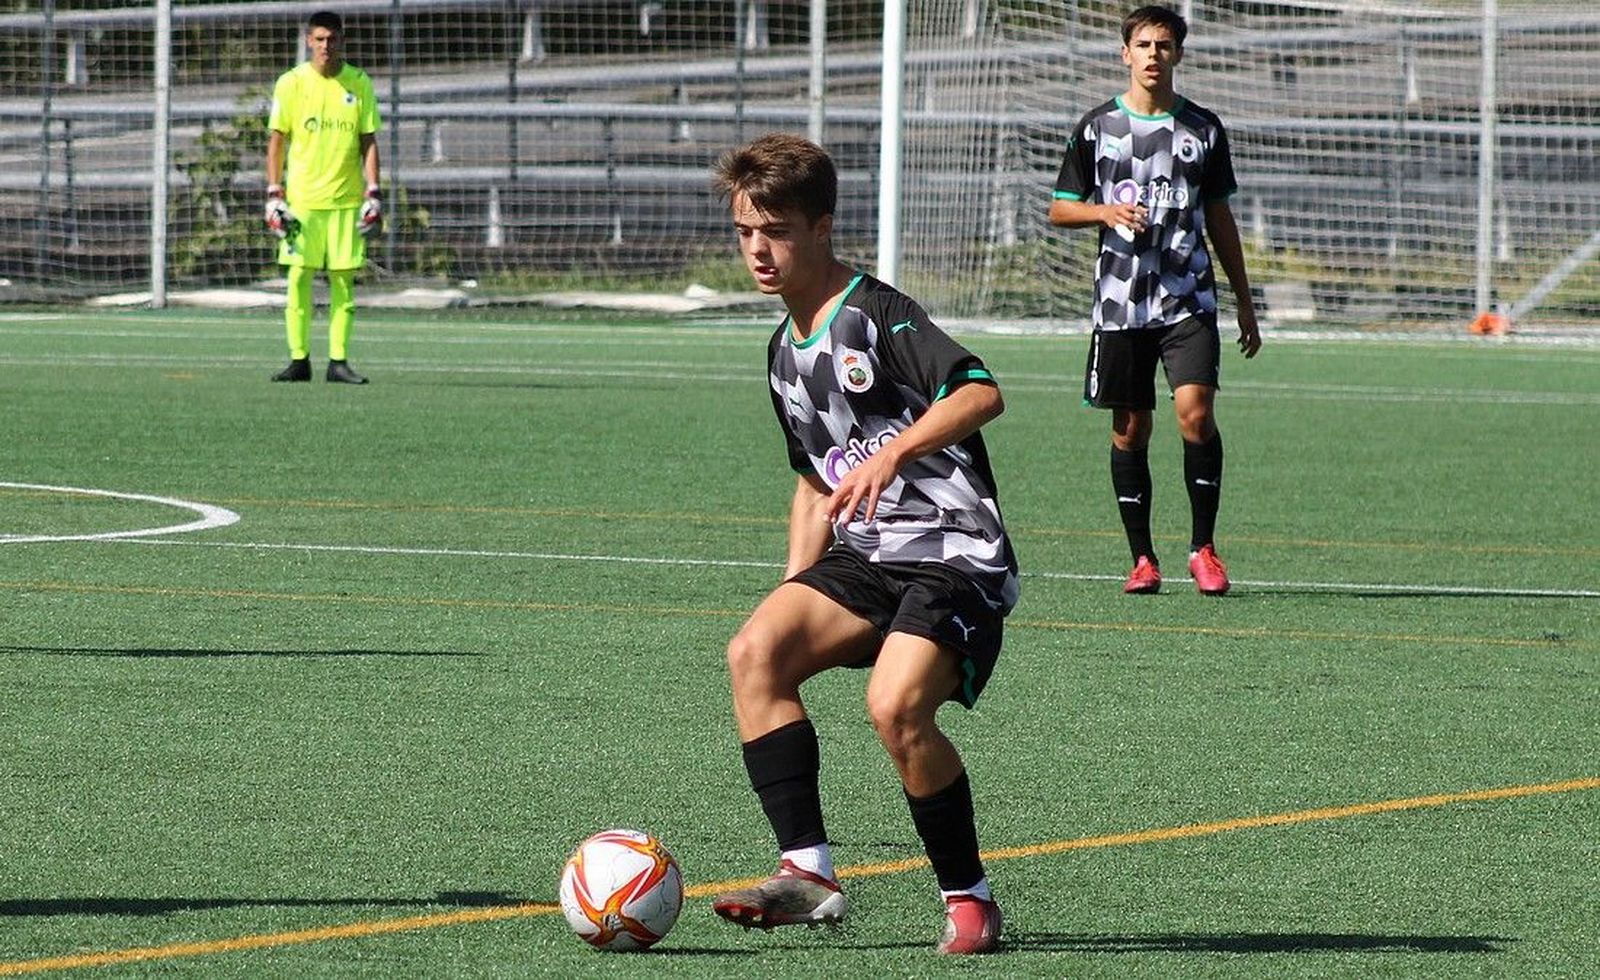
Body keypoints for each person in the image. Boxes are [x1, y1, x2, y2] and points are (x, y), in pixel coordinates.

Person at [708, 133, 1018, 955]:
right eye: (744, 232)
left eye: (773, 230)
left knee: (895, 707)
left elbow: (982, 392)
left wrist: (895, 448)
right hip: (868, 557)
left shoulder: (877, 314)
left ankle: (971, 901)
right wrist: (791, 588)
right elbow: (815, 482)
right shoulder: (782, 354)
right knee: (755, 653)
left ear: (820, 227)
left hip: (955, 551)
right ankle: (807, 875)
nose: (757, 250)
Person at [1048, 3, 1262, 595]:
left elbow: (1219, 217)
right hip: (1120, 304)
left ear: (1178, 55)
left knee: (1195, 416)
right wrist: (1103, 210)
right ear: (1125, 53)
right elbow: (1060, 206)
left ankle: (1203, 549)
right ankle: (1142, 558)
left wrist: (1243, 300)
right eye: (1143, 45)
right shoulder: (1097, 128)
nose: (1153, 55)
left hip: (1188, 300)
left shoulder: (1203, 128)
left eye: (1164, 46)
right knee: (1130, 429)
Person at [264, 10, 382, 384]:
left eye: (331, 39)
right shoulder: (291, 83)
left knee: (343, 283)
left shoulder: (359, 83)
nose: (325, 46)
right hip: (302, 203)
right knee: (299, 278)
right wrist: (273, 193)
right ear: (307, 41)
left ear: (341, 39)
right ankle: (299, 359)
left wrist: (373, 192)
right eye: (318, 39)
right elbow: (277, 142)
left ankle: (338, 361)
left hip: (346, 201)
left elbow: (369, 141)